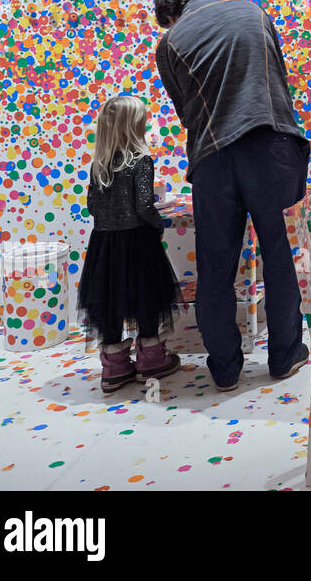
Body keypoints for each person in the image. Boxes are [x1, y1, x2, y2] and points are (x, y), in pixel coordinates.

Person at [153, 0, 311, 391]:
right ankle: (285, 356)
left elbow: (187, 114)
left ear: (169, 16)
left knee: (216, 266)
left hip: (213, 158)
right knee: (280, 255)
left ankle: (224, 368)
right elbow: (276, 77)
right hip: (270, 145)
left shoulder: (170, 44)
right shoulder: (252, 11)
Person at [77, 94, 183, 395]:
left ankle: (114, 368)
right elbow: (144, 207)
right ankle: (151, 360)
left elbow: (92, 207)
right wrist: (160, 223)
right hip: (138, 243)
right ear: (135, 127)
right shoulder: (141, 162)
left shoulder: (100, 164)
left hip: (104, 245)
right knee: (145, 297)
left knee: (110, 301)